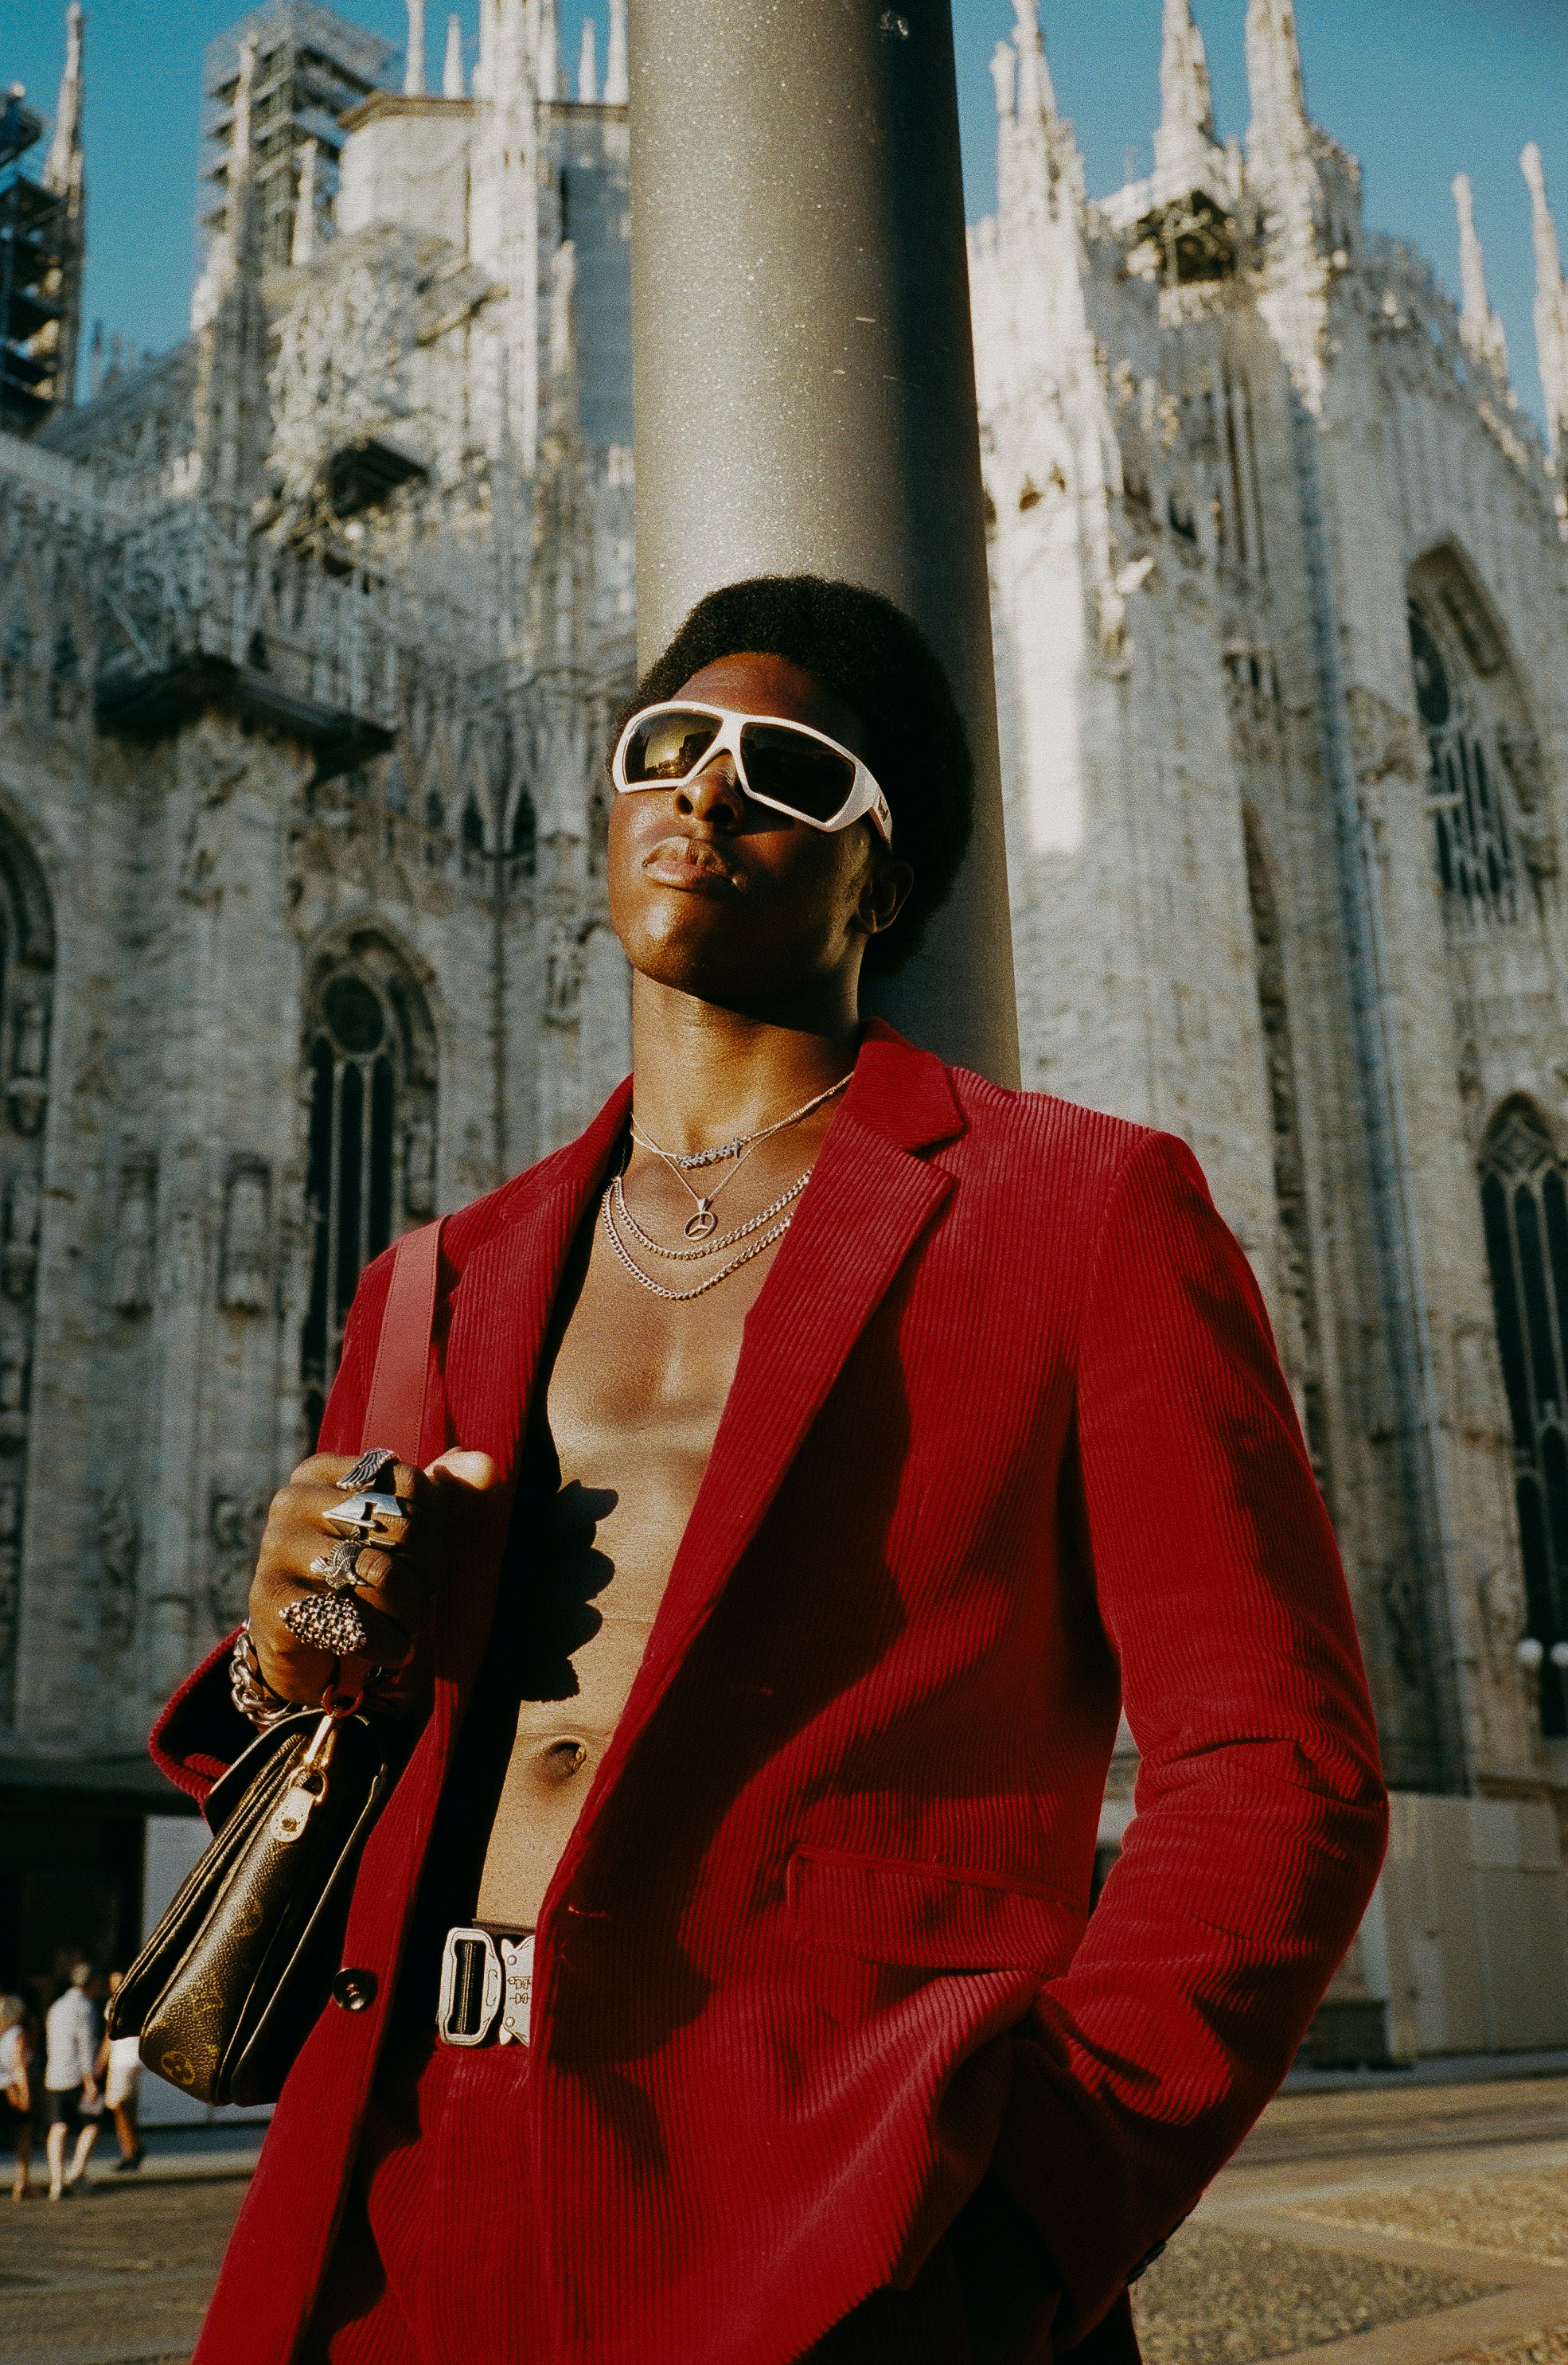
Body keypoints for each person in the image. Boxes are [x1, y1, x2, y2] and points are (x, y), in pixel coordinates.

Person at [152, 576, 1387, 2365]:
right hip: (397, 2200)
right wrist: (293, 1656)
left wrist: (1028, 2208)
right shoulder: (438, 1281)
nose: (708, 790)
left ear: (881, 875)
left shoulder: (1083, 1211)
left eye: (789, 770)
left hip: (824, 2228)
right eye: (666, 746)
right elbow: (356, 1776)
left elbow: (1283, 1767)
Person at [43, 1961, 99, 2199]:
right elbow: (86, 2045)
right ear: (91, 1984)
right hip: (77, 2075)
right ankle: (77, 2170)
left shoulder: (57, 2006)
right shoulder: (85, 2007)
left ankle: (56, 2181)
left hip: (55, 2074)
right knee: (92, 2123)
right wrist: (90, 2080)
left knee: (58, 2126)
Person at [99, 1973, 146, 2173]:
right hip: (134, 2060)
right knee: (126, 2107)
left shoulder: (115, 2003)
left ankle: (133, 2148)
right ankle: (129, 2151)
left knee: (117, 2105)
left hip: (122, 2061)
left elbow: (109, 2036)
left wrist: (100, 2063)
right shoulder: (140, 2000)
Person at [0, 1994, 33, 2200]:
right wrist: (26, 2094)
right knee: (23, 2136)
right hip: (12, 2090)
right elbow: (19, 2065)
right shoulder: (17, 2033)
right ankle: (22, 2183)